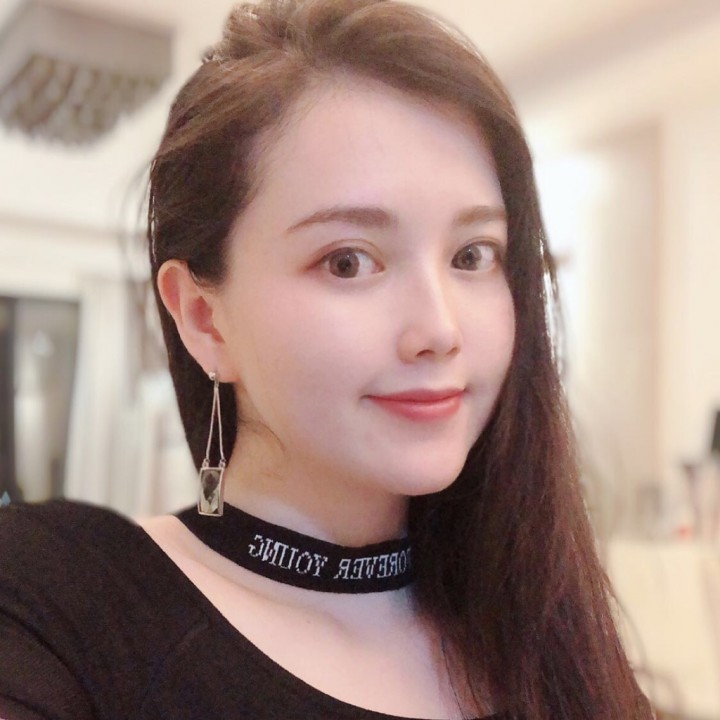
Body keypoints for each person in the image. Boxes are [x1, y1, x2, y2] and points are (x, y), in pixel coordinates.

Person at [0, 1, 652, 718]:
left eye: (472, 256)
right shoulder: (60, 604)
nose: (439, 330)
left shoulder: (542, 635)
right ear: (205, 319)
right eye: (348, 261)